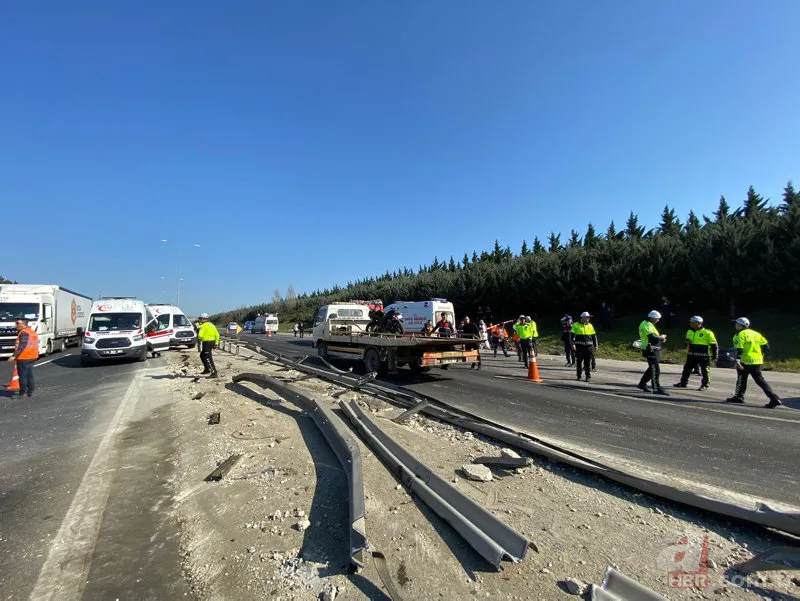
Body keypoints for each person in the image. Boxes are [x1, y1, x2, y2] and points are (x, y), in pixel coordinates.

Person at [726, 318, 782, 408]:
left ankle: (739, 397)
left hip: (745, 361)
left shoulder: (739, 335)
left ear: (740, 325)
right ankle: (774, 398)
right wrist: (762, 354)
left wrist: (737, 360)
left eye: (736, 323)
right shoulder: (756, 333)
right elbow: (766, 346)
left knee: (741, 379)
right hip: (757, 360)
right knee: (760, 380)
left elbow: (739, 349)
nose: (735, 325)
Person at [673, 316, 717, 390]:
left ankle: (705, 385)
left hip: (703, 355)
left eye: (693, 322)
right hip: (692, 354)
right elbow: (687, 341)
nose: (691, 323)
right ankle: (683, 382)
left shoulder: (707, 332)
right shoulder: (689, 331)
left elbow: (714, 345)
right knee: (686, 369)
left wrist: (715, 355)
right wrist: (687, 342)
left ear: (699, 323)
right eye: (691, 322)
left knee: (705, 370)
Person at [637, 310, 669, 395]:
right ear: (652, 318)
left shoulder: (650, 324)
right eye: (657, 318)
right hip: (650, 349)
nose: (658, 320)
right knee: (655, 369)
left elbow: (654, 338)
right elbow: (652, 337)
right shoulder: (645, 324)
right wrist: (661, 337)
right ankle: (656, 388)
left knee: (652, 368)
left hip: (654, 349)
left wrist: (661, 340)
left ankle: (642, 383)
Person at [7, 318, 39, 397]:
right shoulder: (32, 331)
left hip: (24, 357)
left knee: (22, 375)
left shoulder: (24, 333)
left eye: (18, 323)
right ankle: (30, 391)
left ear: (23, 324)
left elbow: (22, 346)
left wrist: (14, 356)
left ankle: (22, 393)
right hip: (32, 356)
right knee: (29, 374)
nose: (16, 325)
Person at [571, 312, 598, 382]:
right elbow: (572, 336)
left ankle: (588, 376)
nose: (588, 319)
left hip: (589, 347)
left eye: (589, 318)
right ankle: (579, 375)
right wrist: (573, 344)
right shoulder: (576, 325)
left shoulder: (590, 325)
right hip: (579, 347)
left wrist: (595, 345)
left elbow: (594, 336)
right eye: (587, 317)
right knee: (579, 362)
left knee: (587, 362)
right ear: (583, 318)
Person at [196, 313, 220, 378]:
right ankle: (207, 369)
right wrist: (216, 343)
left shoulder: (202, 326)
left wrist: (199, 336)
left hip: (207, 342)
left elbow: (200, 336)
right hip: (212, 342)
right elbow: (217, 335)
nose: (199, 320)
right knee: (202, 355)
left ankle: (214, 373)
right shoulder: (212, 325)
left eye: (200, 318)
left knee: (208, 358)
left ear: (203, 319)